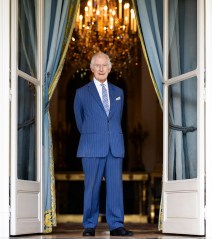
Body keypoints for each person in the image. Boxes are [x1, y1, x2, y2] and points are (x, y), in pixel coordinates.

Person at [74, 52, 133, 237]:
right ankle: (89, 225)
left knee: (115, 187)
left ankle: (116, 225)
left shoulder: (119, 93)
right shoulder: (82, 93)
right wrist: (94, 135)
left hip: (114, 146)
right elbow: (79, 120)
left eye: (104, 65)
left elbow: (116, 119)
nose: (101, 69)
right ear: (92, 68)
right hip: (91, 146)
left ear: (110, 68)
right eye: (97, 65)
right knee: (91, 187)